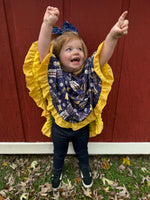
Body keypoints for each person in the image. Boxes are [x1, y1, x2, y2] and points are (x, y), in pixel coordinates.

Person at [23, 6, 129, 190]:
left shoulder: (89, 72)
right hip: (60, 127)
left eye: (79, 49)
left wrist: (113, 35)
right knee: (59, 152)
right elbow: (42, 52)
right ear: (57, 56)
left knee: (82, 151)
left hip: (82, 126)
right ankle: (57, 170)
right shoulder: (53, 72)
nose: (76, 52)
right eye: (69, 49)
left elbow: (102, 57)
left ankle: (85, 168)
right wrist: (47, 24)